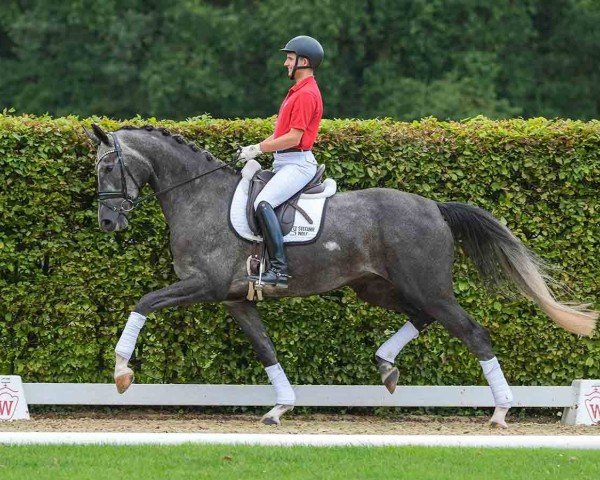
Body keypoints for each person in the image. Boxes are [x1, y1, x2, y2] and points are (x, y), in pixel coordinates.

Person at [238, 35, 324, 288]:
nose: (286, 64)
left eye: (289, 58)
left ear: (303, 61)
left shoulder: (307, 94)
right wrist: (251, 149)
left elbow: (294, 138)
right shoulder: (296, 92)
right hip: (285, 162)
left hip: (297, 164)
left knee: (263, 202)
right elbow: (280, 135)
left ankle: (279, 269)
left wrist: (259, 148)